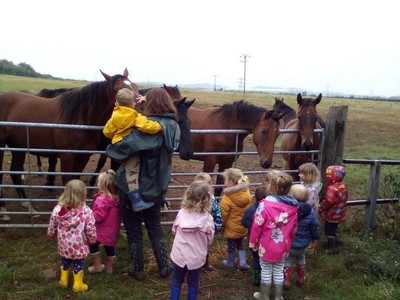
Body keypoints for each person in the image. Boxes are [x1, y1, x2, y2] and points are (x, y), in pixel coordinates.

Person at [106, 87, 181, 281]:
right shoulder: (173, 126)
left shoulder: (149, 127)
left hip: (134, 185)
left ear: (149, 103)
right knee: (154, 224)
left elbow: (120, 149)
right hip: (158, 183)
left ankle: (137, 267)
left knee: (133, 226)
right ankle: (164, 265)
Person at [103, 87, 162, 212]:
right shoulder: (134, 116)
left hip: (118, 147)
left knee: (126, 169)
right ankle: (137, 201)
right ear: (133, 104)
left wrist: (117, 134)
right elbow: (147, 126)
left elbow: (107, 131)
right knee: (132, 172)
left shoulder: (113, 117)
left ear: (116, 103)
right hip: (130, 149)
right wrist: (159, 126)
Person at [250, 172, 298, 300]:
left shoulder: (264, 205)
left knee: (265, 270)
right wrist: (289, 242)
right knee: (278, 270)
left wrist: (253, 243)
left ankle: (264, 296)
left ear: (271, 187)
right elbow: (294, 228)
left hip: (266, 245)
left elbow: (257, 226)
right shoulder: (293, 207)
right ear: (289, 188)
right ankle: (278, 296)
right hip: (283, 245)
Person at [47, 179, 96, 292]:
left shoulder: (58, 209)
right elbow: (90, 228)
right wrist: (92, 239)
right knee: (78, 262)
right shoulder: (86, 211)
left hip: (64, 244)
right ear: (83, 194)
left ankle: (64, 281)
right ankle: (77, 284)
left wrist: (51, 233)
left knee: (65, 260)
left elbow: (52, 223)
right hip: (79, 245)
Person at [170, 180, 215, 300]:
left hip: (179, 254)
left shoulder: (181, 213)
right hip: (196, 257)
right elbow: (210, 239)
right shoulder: (208, 219)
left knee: (176, 279)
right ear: (207, 199)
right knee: (193, 282)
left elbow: (174, 230)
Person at [283, 184, 320, 289]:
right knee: (301, 258)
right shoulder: (310, 212)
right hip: (303, 244)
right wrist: (314, 238)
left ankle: (286, 280)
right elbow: (314, 226)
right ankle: (301, 278)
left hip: (289, 244)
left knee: (287, 260)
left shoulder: (288, 210)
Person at [87, 170, 121, 275]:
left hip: (99, 229)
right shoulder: (118, 199)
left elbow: (99, 216)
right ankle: (109, 268)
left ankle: (97, 266)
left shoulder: (102, 199)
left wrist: (90, 216)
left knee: (92, 244)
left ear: (103, 185)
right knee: (109, 248)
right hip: (112, 230)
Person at [220, 167, 252, 270]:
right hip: (243, 225)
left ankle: (230, 262)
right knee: (240, 243)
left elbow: (223, 214)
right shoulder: (246, 193)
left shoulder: (227, 198)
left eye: (225, 180)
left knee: (231, 245)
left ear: (230, 182)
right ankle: (243, 262)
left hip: (231, 227)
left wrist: (222, 226)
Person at [194, 171, 222, 271]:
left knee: (193, 245)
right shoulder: (212, 199)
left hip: (193, 229)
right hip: (206, 228)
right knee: (205, 246)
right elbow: (217, 214)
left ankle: (194, 263)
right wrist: (217, 227)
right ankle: (204, 264)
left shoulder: (191, 199)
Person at [241, 184, 269, 286]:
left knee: (256, 259)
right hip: (266, 241)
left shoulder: (250, 209)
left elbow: (243, 222)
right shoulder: (269, 210)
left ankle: (256, 279)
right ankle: (265, 279)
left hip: (253, 240)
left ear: (255, 197)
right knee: (265, 260)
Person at [318, 165, 348, 255]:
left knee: (329, 230)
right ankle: (333, 243)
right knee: (333, 229)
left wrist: (320, 207)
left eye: (329, 175)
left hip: (332, 214)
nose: (327, 177)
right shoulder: (343, 186)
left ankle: (332, 248)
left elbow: (329, 201)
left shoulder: (332, 188)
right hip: (339, 213)